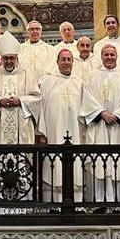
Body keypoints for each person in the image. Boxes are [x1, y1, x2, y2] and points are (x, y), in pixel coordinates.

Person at [80, 45, 120, 203]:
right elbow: (86, 98)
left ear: (117, 56)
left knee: (118, 164)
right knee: (99, 164)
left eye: (112, 54)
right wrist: (101, 113)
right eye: (106, 55)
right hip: (99, 125)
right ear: (101, 57)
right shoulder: (91, 76)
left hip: (117, 126)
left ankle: (118, 203)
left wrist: (117, 115)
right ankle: (98, 202)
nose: (109, 57)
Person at [0, 32, 41, 145]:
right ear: (1, 58)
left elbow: (36, 97)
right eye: (6, 58)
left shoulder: (28, 75)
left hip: (21, 122)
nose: (9, 61)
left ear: (17, 58)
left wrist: (21, 101)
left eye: (12, 58)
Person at [38, 49, 84, 202]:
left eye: (69, 59)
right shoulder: (47, 82)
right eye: (63, 59)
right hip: (53, 132)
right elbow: (41, 108)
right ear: (57, 62)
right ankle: (53, 202)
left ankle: (76, 201)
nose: (66, 62)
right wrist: (42, 132)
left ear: (73, 62)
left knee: (75, 165)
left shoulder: (80, 82)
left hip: (76, 132)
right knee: (54, 165)